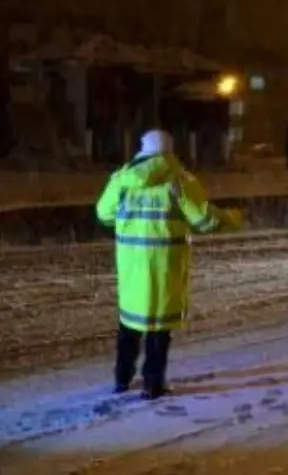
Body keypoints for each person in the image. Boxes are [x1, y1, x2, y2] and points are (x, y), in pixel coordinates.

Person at [95, 129, 242, 399]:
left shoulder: (122, 180)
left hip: (132, 271)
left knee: (129, 327)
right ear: (170, 150)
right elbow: (203, 220)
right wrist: (232, 217)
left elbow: (103, 214)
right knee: (159, 333)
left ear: (142, 150)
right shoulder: (181, 182)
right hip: (166, 270)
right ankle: (153, 385)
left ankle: (121, 379)